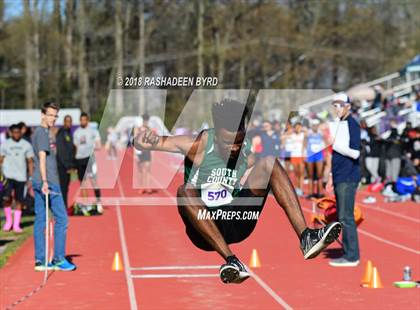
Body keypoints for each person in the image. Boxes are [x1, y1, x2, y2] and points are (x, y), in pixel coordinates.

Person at [134, 99, 341, 284]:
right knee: (184, 191)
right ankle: (232, 261)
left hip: (237, 219)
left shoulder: (244, 149)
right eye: (227, 143)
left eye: (238, 142)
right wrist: (145, 139)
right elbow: (150, 143)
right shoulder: (196, 145)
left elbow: (262, 169)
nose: (234, 148)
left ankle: (306, 237)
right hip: (204, 228)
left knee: (269, 162)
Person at [32, 101, 76, 271]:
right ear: (42, 114)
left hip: (40, 180)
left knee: (41, 220)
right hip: (48, 182)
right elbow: (42, 158)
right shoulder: (42, 133)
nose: (53, 118)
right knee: (62, 219)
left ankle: (41, 261)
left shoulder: (42, 132)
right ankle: (58, 258)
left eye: (55, 115)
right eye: (50, 115)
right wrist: (44, 182)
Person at [326, 93, 361, 267]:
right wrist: (331, 176)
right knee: (342, 216)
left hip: (348, 176)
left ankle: (351, 256)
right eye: (335, 105)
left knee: (346, 217)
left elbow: (356, 153)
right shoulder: (340, 124)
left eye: (340, 105)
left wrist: (335, 144)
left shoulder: (352, 124)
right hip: (339, 175)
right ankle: (348, 253)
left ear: (347, 106)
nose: (337, 108)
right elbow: (336, 155)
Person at [0, 124, 34, 232]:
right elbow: (1, 159)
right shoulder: (5, 144)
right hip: (7, 176)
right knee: (7, 199)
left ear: (21, 133)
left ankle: (16, 224)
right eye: (14, 132)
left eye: (18, 132)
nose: (16, 134)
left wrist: (31, 178)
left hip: (21, 177)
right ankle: (9, 222)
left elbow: (30, 162)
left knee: (19, 200)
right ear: (10, 133)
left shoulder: (26, 145)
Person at [73, 112, 103, 214]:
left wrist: (95, 147)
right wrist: (74, 161)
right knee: (83, 183)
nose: (83, 121)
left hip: (90, 159)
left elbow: (99, 144)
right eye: (81, 120)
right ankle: (85, 204)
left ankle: (99, 202)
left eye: (84, 120)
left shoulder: (93, 131)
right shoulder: (76, 132)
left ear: (87, 120)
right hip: (79, 159)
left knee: (94, 181)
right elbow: (75, 147)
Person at [56, 115, 75, 208]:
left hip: (67, 165)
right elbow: (61, 151)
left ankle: (64, 205)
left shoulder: (68, 133)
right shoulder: (62, 132)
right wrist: (67, 166)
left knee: (66, 187)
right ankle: (63, 207)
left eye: (70, 122)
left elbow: (70, 150)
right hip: (62, 166)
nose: (69, 123)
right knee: (63, 187)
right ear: (64, 122)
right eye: (67, 121)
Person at [305, 119, 326, 199]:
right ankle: (310, 193)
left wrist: (324, 156)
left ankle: (320, 193)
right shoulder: (308, 134)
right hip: (310, 155)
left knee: (319, 175)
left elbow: (325, 144)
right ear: (311, 126)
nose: (315, 127)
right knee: (310, 175)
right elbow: (304, 144)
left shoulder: (321, 133)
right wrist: (304, 154)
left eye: (316, 125)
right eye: (313, 125)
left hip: (319, 155)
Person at [135, 114, 154, 194]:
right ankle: (141, 187)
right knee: (140, 171)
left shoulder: (150, 129)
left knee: (148, 169)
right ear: (142, 120)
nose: (146, 121)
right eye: (144, 120)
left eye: (147, 120)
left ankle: (148, 187)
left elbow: (152, 140)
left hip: (147, 151)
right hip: (139, 151)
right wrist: (135, 154)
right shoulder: (138, 129)